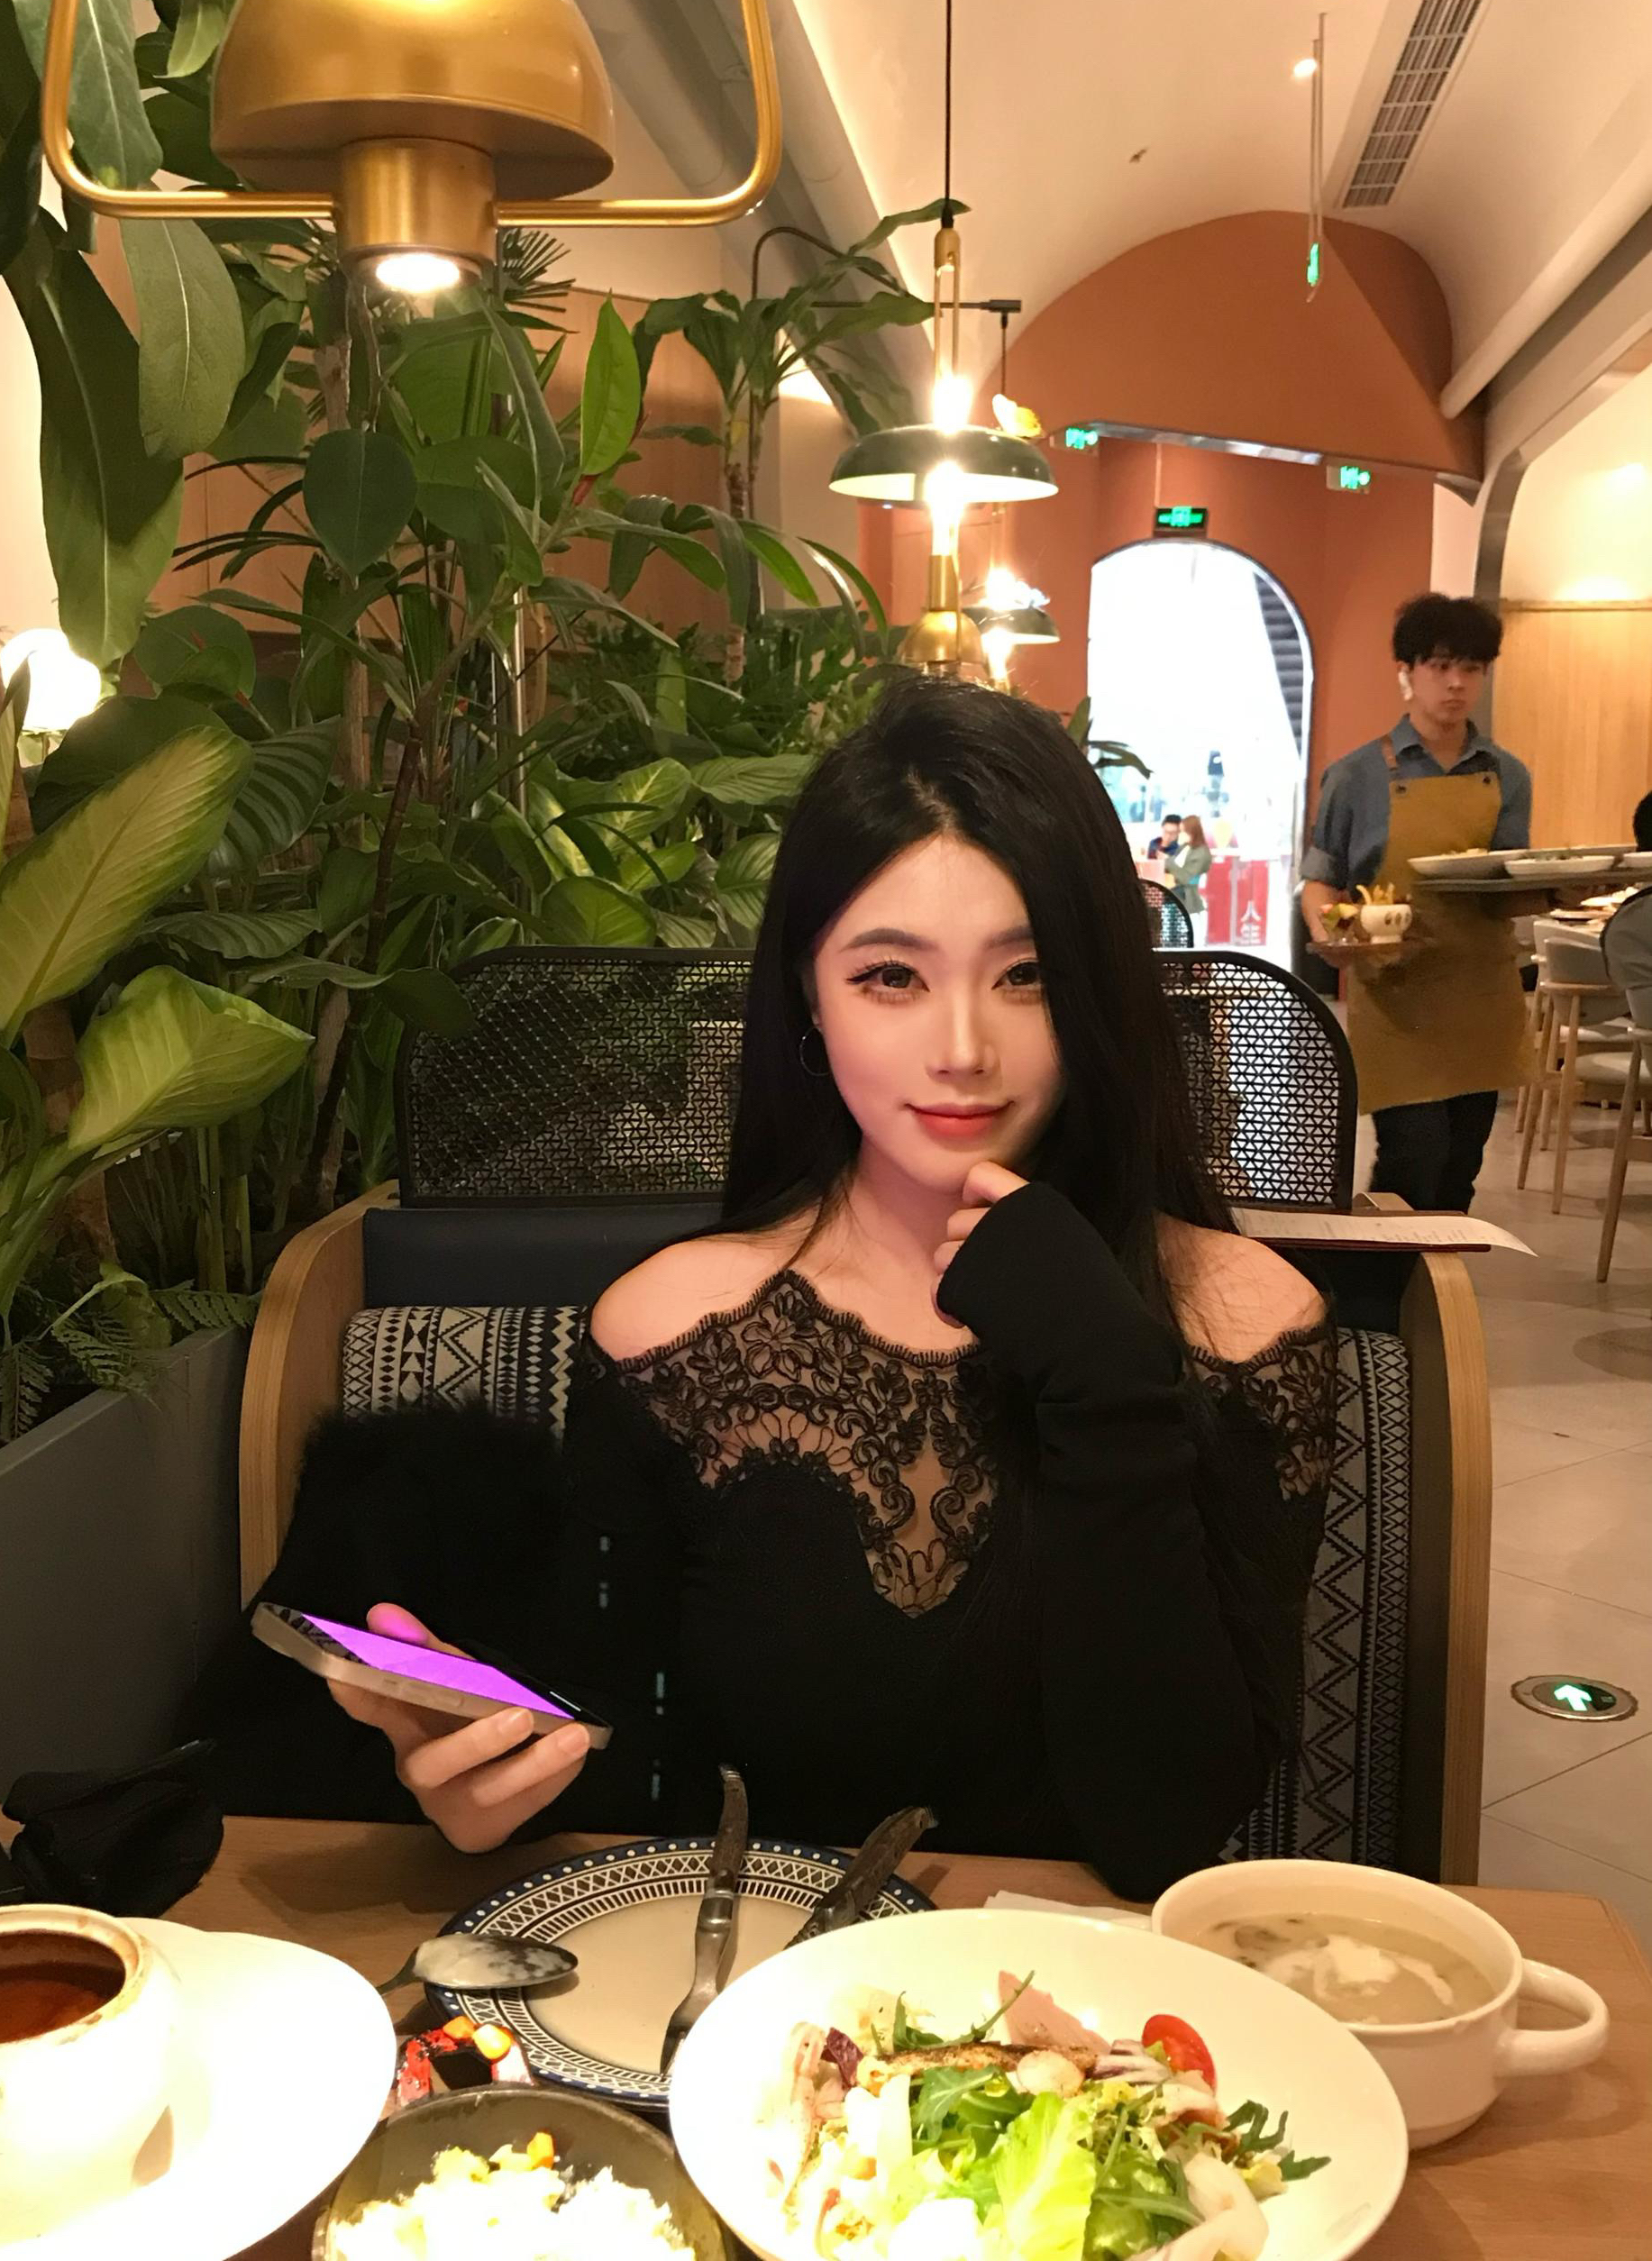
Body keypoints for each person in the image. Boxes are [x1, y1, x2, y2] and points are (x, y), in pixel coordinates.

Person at [330, 684, 1336, 1901]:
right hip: (768, 1986)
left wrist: (1109, 1378)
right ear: (809, 993)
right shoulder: (671, 1334)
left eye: (1027, 974)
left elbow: (1163, 1831)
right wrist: (489, 1793)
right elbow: (625, 1765)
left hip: (1092, 1999)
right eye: (890, 977)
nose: (962, 1048)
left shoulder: (1246, 1324)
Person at [1300, 593, 1533, 1213]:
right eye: (1439, 665)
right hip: (1397, 997)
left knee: (1461, 1167)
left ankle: (1435, 1276)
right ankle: (1383, 1274)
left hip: (1481, 993)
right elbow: (1321, 880)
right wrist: (1336, 935)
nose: (1456, 684)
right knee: (1412, 1159)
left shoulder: (1509, 775)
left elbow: (1508, 880)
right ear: (1407, 671)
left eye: (1472, 668)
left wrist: (1552, 890)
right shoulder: (1356, 776)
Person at [1168, 814, 1212, 922]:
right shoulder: (1184, 847)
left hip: (1189, 900)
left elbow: (1186, 877)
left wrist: (1168, 863)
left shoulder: (1201, 853)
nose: (1180, 834)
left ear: (1192, 832)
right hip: (1174, 894)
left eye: (1183, 831)